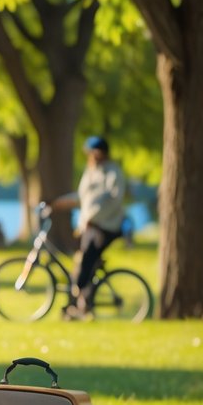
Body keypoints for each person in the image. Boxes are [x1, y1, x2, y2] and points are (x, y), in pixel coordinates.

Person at [49, 135, 127, 318]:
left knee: (86, 262)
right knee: (85, 264)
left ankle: (77, 304)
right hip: (90, 226)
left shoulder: (113, 172)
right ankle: (83, 303)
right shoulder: (91, 171)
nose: (92, 156)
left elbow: (114, 200)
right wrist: (57, 203)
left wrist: (93, 217)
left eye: (95, 152)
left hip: (105, 226)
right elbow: (83, 198)